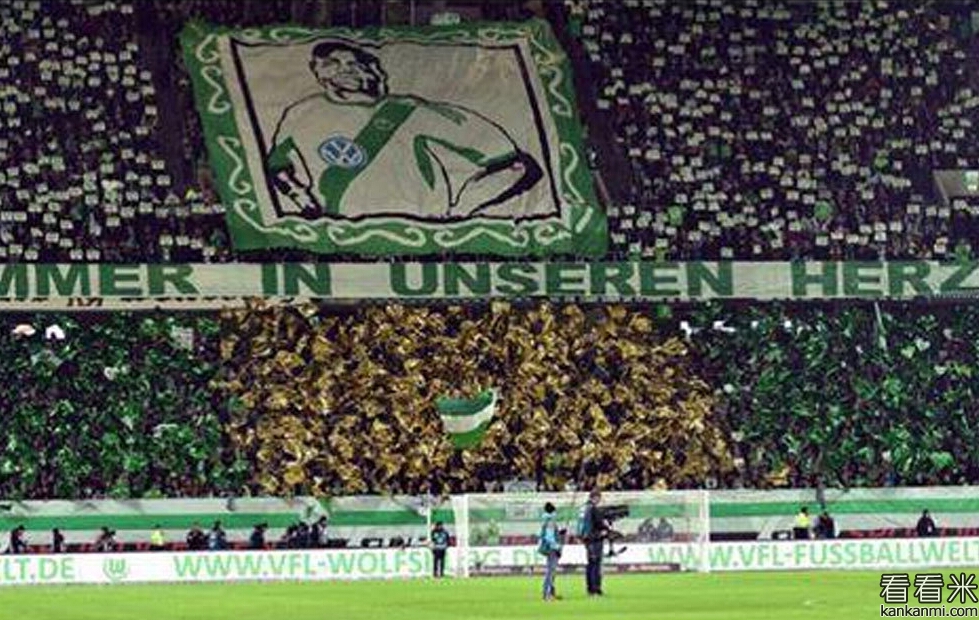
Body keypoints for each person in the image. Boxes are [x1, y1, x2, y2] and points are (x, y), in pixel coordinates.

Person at [266, 40, 543, 220]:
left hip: (418, 238)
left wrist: (464, 211)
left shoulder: (409, 110)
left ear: (371, 70)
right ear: (316, 70)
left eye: (354, 64)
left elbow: (516, 165)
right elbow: (277, 166)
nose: (344, 70)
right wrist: (301, 199)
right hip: (339, 239)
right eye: (331, 64)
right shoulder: (300, 114)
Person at [578, 489, 607, 596]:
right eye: (599, 498)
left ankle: (590, 588)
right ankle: (596, 588)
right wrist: (605, 526)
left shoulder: (583, 508)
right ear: (595, 497)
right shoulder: (593, 508)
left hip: (586, 538)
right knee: (596, 564)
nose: (600, 500)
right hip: (595, 538)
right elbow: (599, 523)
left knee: (590, 564)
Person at [538, 502, 563, 601]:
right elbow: (549, 537)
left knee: (551, 571)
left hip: (549, 548)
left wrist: (559, 533)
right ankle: (547, 594)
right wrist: (557, 546)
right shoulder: (550, 521)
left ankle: (551, 593)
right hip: (551, 549)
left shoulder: (546, 520)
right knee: (551, 571)